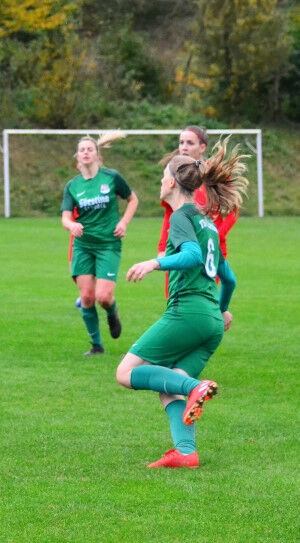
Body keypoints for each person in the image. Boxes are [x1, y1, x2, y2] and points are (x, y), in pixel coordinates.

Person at [116, 137, 248, 468]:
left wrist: (154, 262)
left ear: (173, 183)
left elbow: (190, 256)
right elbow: (229, 279)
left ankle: (195, 387)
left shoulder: (181, 218)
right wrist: (221, 310)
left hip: (187, 313)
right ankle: (186, 452)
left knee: (126, 372)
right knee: (168, 383)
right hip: (211, 323)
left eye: (163, 177)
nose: (160, 182)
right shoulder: (207, 223)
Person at [61, 136, 139, 356]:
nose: (85, 152)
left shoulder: (111, 177)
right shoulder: (73, 186)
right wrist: (72, 225)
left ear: (97, 155)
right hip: (83, 246)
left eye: (89, 149)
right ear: (77, 157)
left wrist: (123, 223)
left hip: (108, 245)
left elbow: (133, 200)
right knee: (86, 297)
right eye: (82, 150)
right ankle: (96, 345)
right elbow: (65, 217)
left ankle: (112, 312)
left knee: (103, 296)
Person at [157, 126, 239, 295]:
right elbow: (169, 215)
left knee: (203, 295)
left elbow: (234, 210)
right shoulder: (175, 174)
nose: (184, 147)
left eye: (189, 143)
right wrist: (162, 247)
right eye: (181, 142)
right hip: (180, 244)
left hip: (210, 246)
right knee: (176, 297)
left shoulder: (213, 175)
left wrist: (216, 233)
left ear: (202, 147)